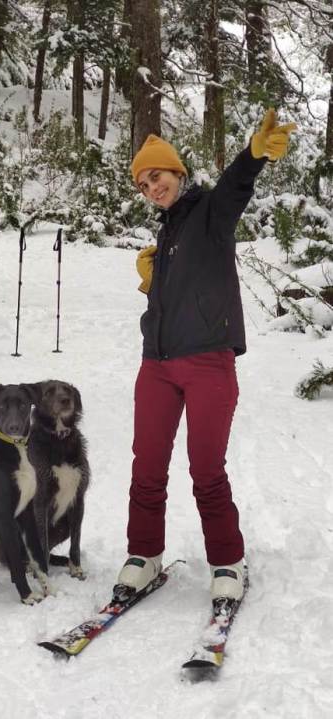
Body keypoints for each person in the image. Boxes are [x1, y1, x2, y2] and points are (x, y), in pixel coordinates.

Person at [117, 109, 297, 601]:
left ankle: (227, 560)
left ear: (177, 171)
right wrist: (155, 283)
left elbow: (235, 187)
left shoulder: (209, 213)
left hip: (208, 363)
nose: (152, 188)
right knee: (146, 465)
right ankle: (144, 554)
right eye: (143, 184)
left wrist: (253, 156)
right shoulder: (166, 231)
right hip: (157, 365)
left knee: (206, 469)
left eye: (157, 176)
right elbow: (180, 293)